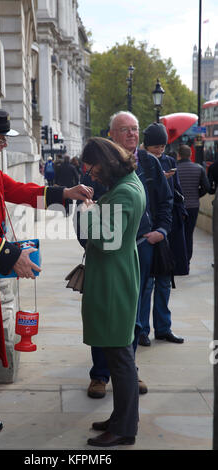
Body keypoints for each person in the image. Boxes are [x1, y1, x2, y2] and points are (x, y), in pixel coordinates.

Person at [0, 105, 93, 450]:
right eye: (0, 139)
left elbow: (14, 189)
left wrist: (62, 194)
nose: (4, 146)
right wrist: (11, 255)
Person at [85, 111, 173, 400]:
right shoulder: (98, 163)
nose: (132, 134)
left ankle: (127, 370)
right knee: (104, 313)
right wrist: (87, 235)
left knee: (131, 313)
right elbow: (87, 204)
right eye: (125, 129)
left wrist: (161, 229)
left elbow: (166, 198)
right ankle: (100, 375)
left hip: (140, 244)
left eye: (135, 129)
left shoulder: (149, 163)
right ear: (112, 135)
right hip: (108, 248)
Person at [79, 137, 146, 447]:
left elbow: (107, 241)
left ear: (106, 163)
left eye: (93, 171)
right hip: (116, 273)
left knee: (119, 355)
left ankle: (124, 427)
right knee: (117, 351)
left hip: (113, 278)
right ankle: (121, 417)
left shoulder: (123, 194)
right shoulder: (127, 185)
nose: (92, 177)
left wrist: (87, 212)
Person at [138, 122, 187, 347]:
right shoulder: (139, 163)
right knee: (147, 284)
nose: (159, 150)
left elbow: (173, 196)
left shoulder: (168, 162)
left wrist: (164, 230)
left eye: (162, 146)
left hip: (163, 231)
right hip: (146, 232)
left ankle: (163, 328)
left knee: (164, 281)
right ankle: (142, 330)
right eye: (155, 146)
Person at [176, 145, 210, 265]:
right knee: (189, 234)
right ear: (190, 155)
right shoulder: (199, 168)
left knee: (178, 234)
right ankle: (187, 261)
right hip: (193, 206)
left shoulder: (175, 169)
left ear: (178, 155)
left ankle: (178, 260)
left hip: (178, 207)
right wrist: (197, 195)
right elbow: (207, 187)